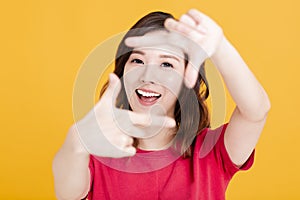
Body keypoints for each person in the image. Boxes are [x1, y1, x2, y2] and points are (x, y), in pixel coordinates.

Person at [52, 9, 270, 200]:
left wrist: (220, 47)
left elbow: (256, 112)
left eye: (167, 64)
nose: (148, 75)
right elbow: (66, 194)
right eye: (137, 60)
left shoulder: (211, 151)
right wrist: (77, 139)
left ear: (187, 80)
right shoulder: (96, 153)